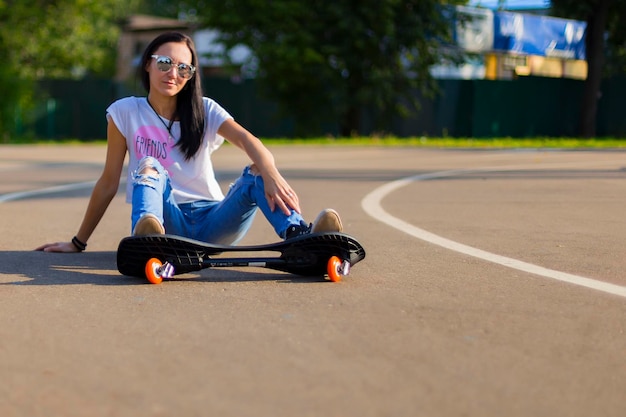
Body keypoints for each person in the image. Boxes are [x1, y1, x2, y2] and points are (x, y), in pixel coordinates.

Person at [36, 31, 342, 253]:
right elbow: (108, 182)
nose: (173, 73)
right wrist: (78, 243)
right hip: (167, 224)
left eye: (184, 68)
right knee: (148, 164)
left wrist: (271, 174)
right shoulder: (125, 112)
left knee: (257, 171)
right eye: (165, 62)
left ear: (191, 74)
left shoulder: (205, 109)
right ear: (148, 64)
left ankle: (300, 235)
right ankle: (146, 234)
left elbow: (249, 140)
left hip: (215, 223)